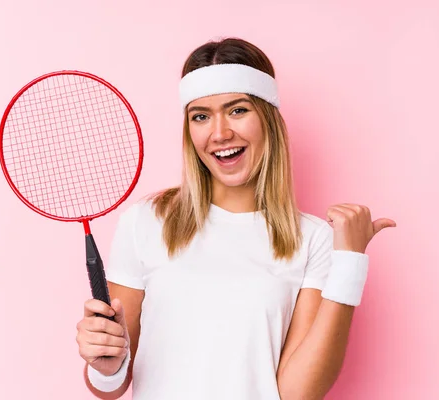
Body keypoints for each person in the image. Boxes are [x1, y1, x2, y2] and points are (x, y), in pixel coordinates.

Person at [75, 37, 396, 400]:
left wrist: (349, 265)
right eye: (200, 116)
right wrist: (104, 364)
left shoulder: (313, 238)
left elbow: (298, 393)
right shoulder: (145, 223)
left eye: (238, 110)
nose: (220, 133)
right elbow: (111, 384)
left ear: (268, 118)